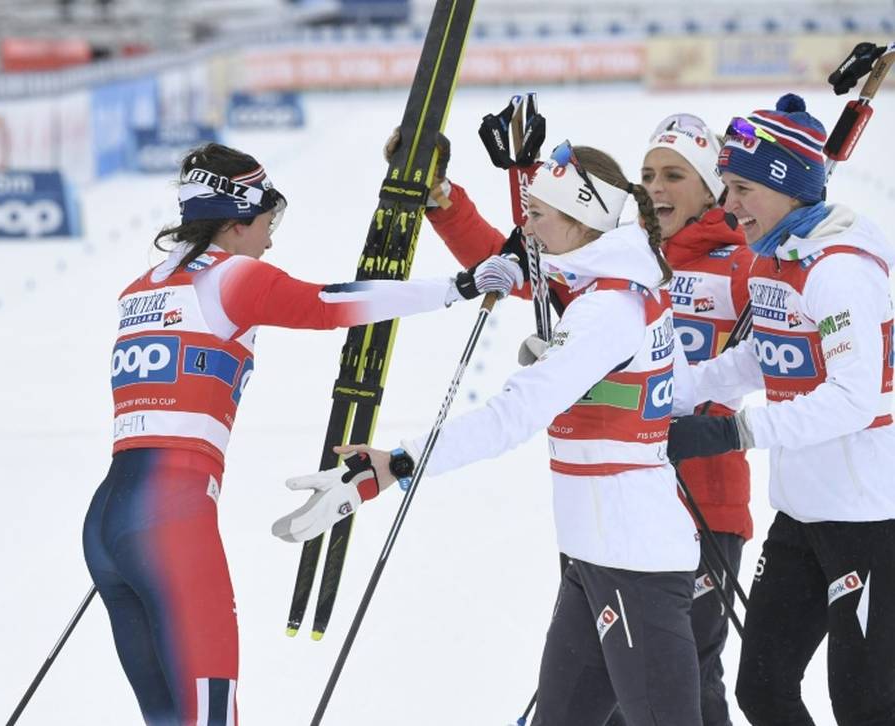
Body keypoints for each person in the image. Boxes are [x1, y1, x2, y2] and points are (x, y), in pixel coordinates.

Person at [275, 142, 705, 724]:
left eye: (536, 214)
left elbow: (511, 418)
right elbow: (657, 387)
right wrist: (569, 368)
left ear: (580, 220)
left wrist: (397, 465)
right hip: (594, 554)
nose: (525, 225)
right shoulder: (603, 287)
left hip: (636, 559)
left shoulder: (607, 307)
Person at [85, 143, 472, 725]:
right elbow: (331, 305)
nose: (270, 238)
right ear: (237, 219)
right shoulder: (232, 276)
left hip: (109, 522)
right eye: (269, 220)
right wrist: (458, 288)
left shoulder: (141, 287)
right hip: (171, 519)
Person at [411, 113, 756, 725]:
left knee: (691, 686)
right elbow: (528, 261)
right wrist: (448, 198)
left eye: (675, 174)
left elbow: (791, 327)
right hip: (607, 501)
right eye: (648, 173)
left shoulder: (738, 263)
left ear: (713, 189)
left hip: (702, 490)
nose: (656, 185)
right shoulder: (615, 267)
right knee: (616, 699)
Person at [666, 94, 895, 726]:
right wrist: (663, 394)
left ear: (787, 189)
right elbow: (757, 358)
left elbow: (852, 398)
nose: (728, 204)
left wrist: (732, 430)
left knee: (866, 706)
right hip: (800, 517)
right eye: (726, 187)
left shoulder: (839, 271)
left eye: (741, 188)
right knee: (762, 692)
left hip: (871, 524)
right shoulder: (778, 254)